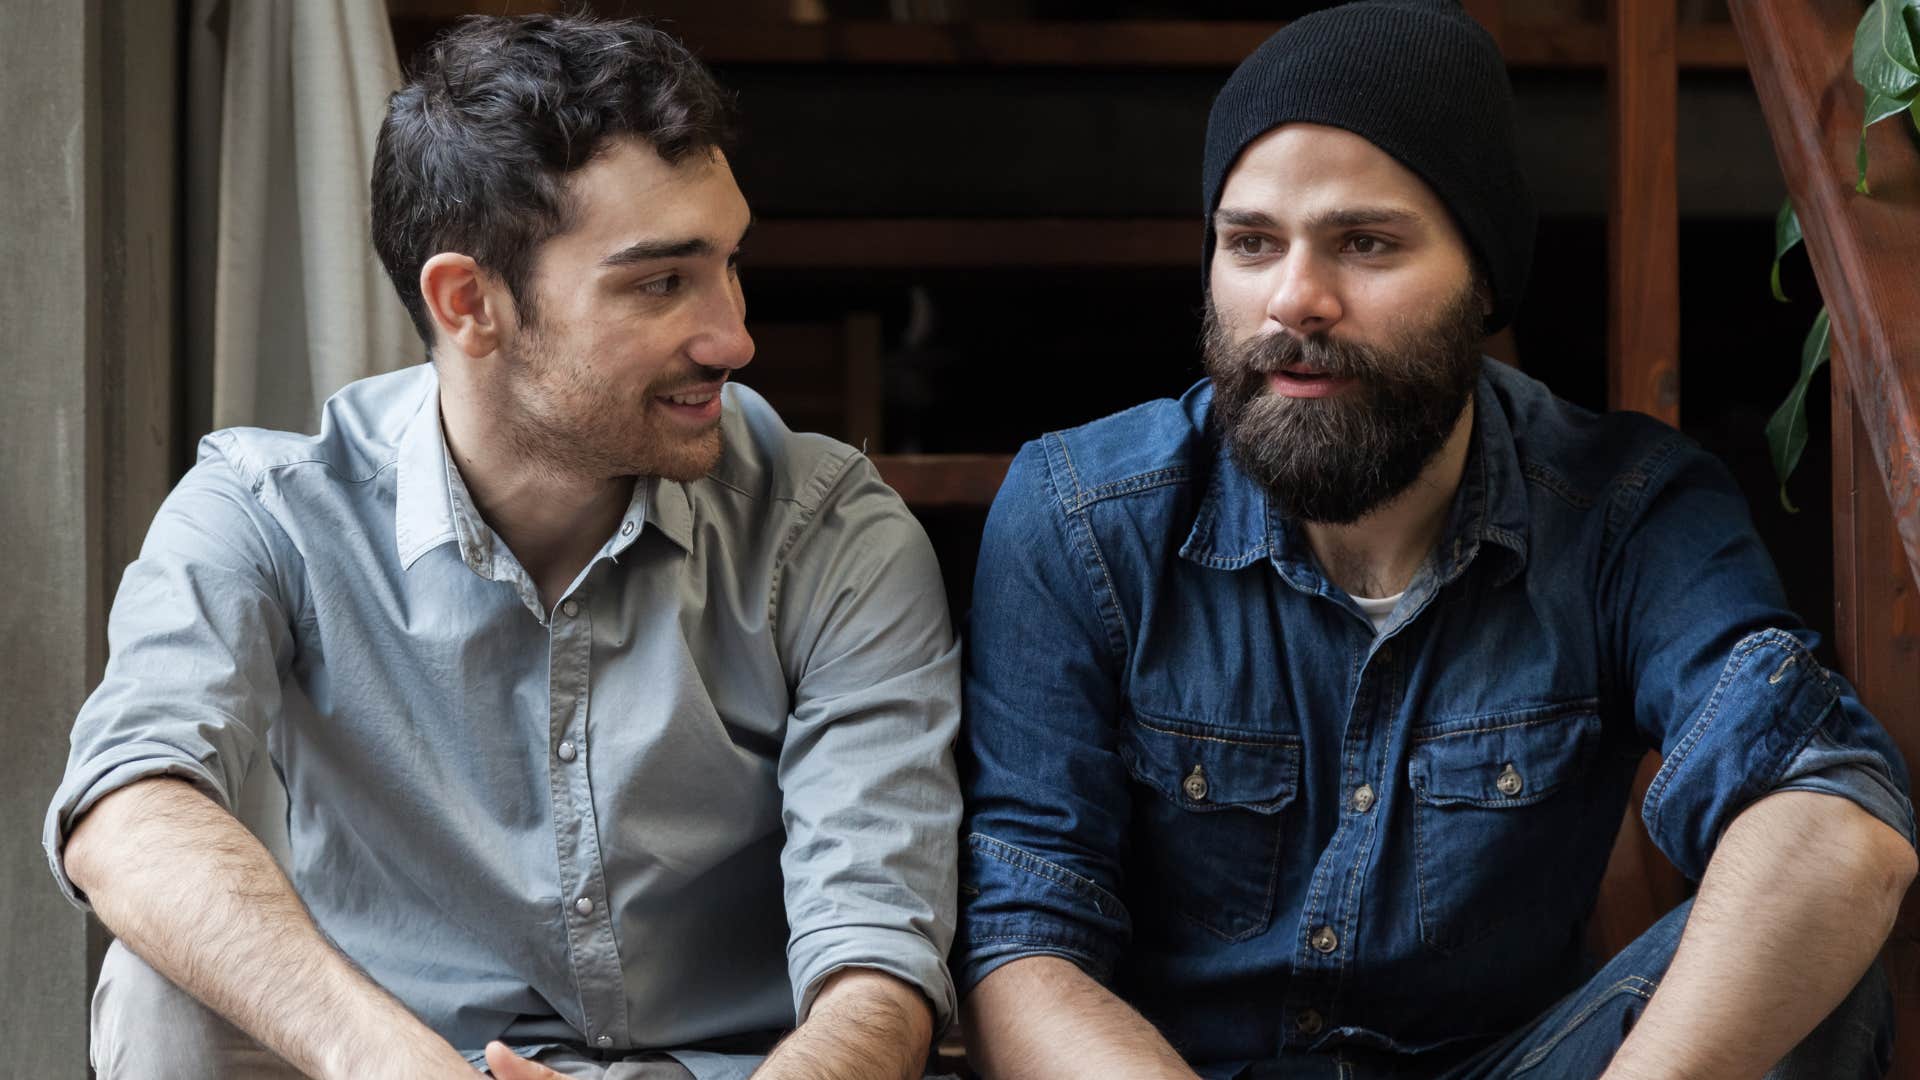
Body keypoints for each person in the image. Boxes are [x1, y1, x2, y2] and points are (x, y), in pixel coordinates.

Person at [953, 2, 1917, 1077]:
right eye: (1251, 243)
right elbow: (1023, 949)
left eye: (1365, 243)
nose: (1295, 299)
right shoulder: (1083, 515)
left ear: (1483, 280)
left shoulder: (1625, 508)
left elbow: (1831, 819)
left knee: (1807, 969)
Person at [46, 15, 960, 1080]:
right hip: (409, 1062)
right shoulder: (269, 510)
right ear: (468, 302)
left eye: (728, 264)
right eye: (661, 282)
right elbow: (129, 806)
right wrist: (388, 1059)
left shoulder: (831, 526)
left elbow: (879, 965)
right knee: (159, 989)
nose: (735, 337)